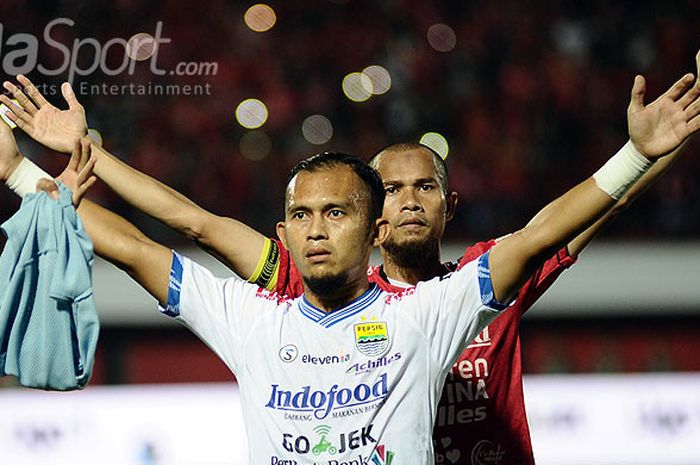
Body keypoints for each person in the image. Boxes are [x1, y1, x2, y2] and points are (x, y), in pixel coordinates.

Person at [3, 55, 700, 464]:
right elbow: (167, 235)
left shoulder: (444, 303)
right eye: (303, 216)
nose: (407, 202)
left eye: (424, 186)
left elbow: (548, 229)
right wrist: (27, 174)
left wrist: (640, 154)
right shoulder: (268, 302)